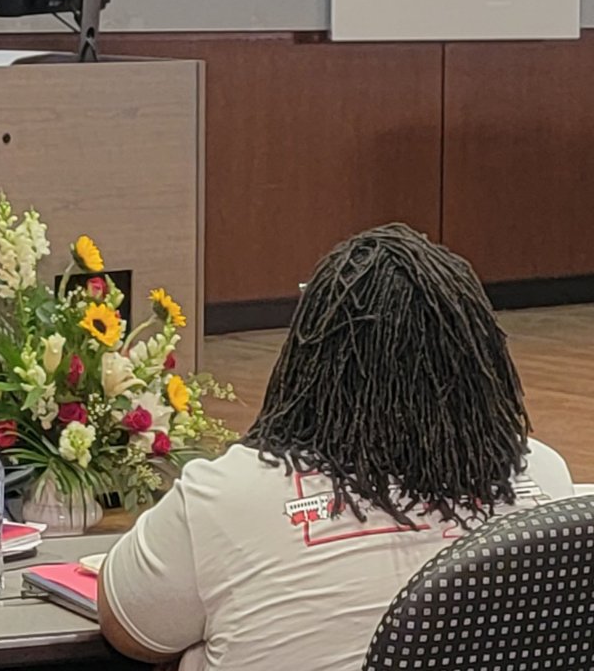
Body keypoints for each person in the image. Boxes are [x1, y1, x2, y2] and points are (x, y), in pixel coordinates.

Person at [98, 223, 575, 671]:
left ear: (310, 357)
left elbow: (131, 630)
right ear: (481, 357)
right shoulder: (546, 482)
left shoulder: (223, 498)